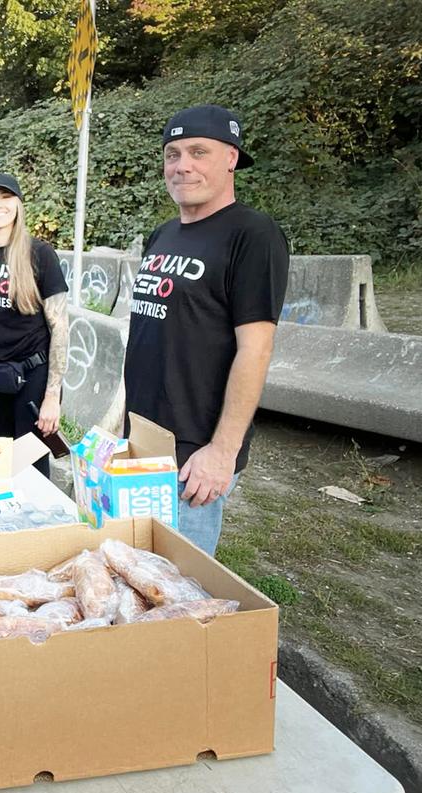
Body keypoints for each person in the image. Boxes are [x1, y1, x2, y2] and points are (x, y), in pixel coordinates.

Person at [124, 104, 288, 555]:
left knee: (177, 592)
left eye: (199, 152)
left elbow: (255, 349)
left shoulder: (253, 235)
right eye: (172, 154)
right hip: (142, 439)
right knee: (132, 575)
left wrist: (222, 451)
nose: (182, 166)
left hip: (194, 454)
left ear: (231, 157)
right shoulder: (162, 234)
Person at [0, 173, 68, 477]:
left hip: (32, 378)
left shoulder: (39, 254)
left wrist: (52, 396)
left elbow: (60, 328)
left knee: (31, 471)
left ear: (18, 205)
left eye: (5, 197)